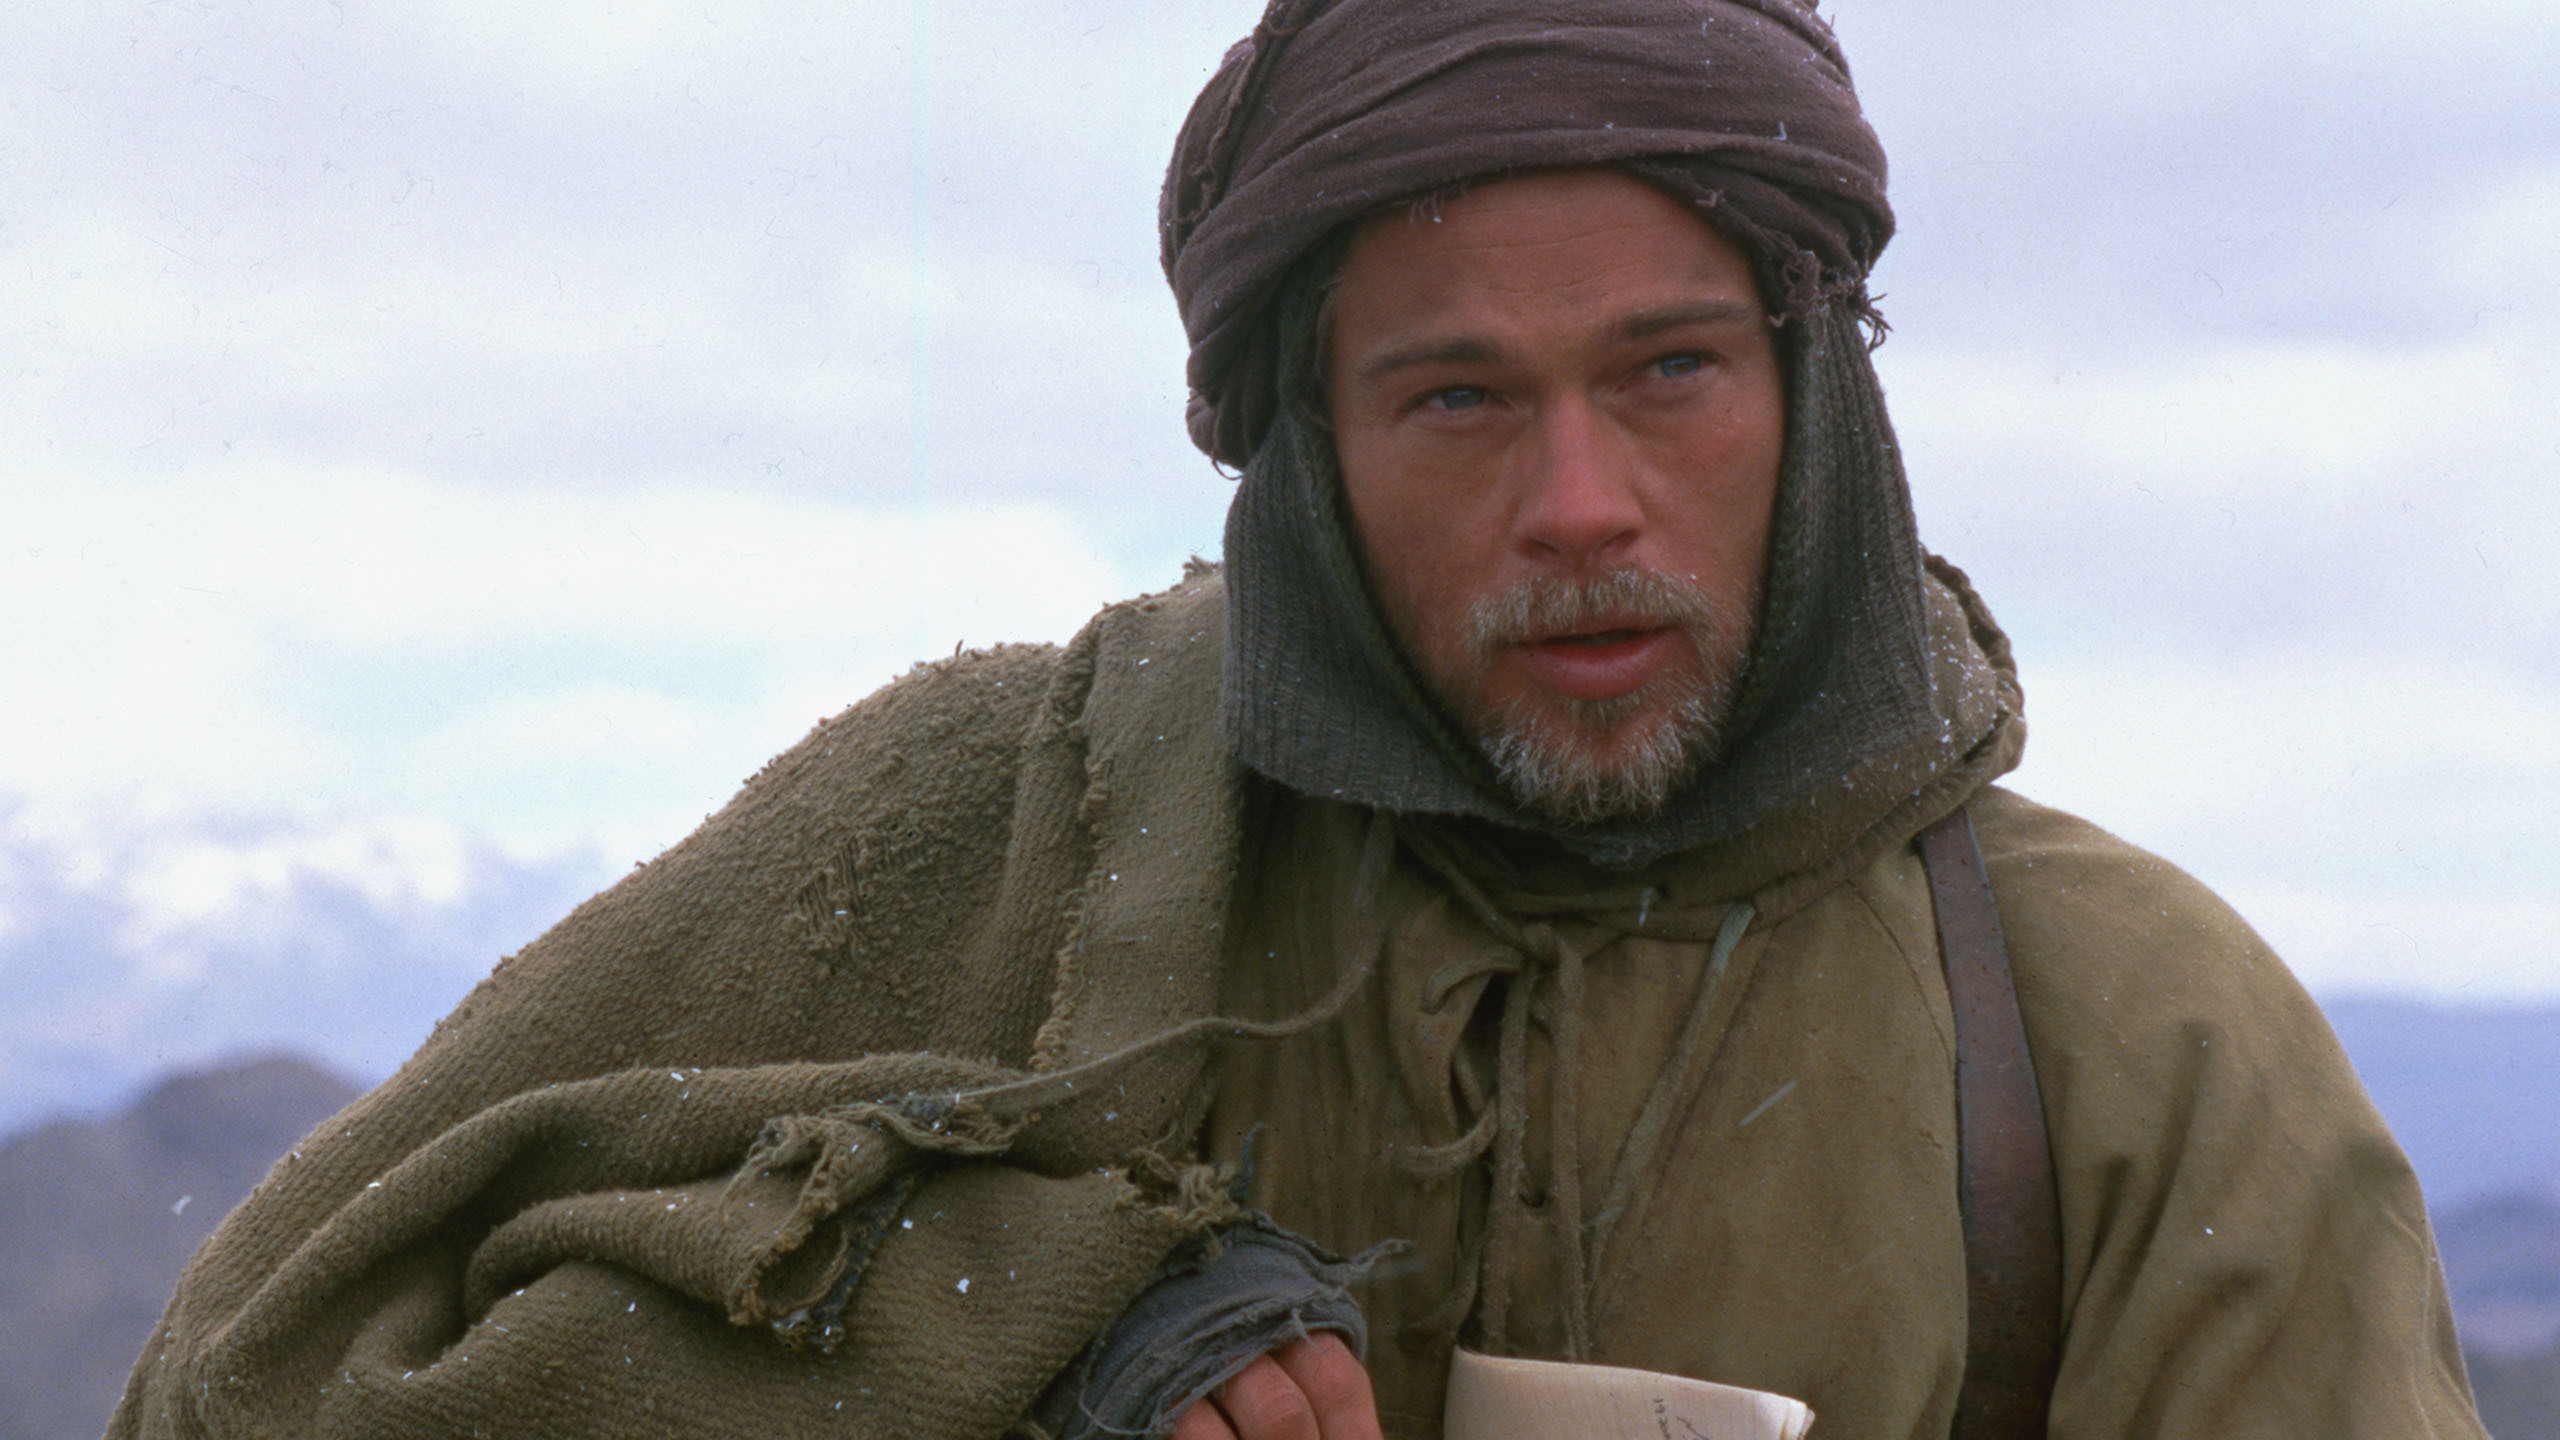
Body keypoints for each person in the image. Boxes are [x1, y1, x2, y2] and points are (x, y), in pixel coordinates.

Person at [114, 2, 2488, 1438]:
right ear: (1306, 467)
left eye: (1669, 369)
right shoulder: (995, 830)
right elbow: (255, 1371)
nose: (1578, 502)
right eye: (1454, 398)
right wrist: (1009, 1328)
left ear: (1813, 393)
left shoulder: (2133, 1044)